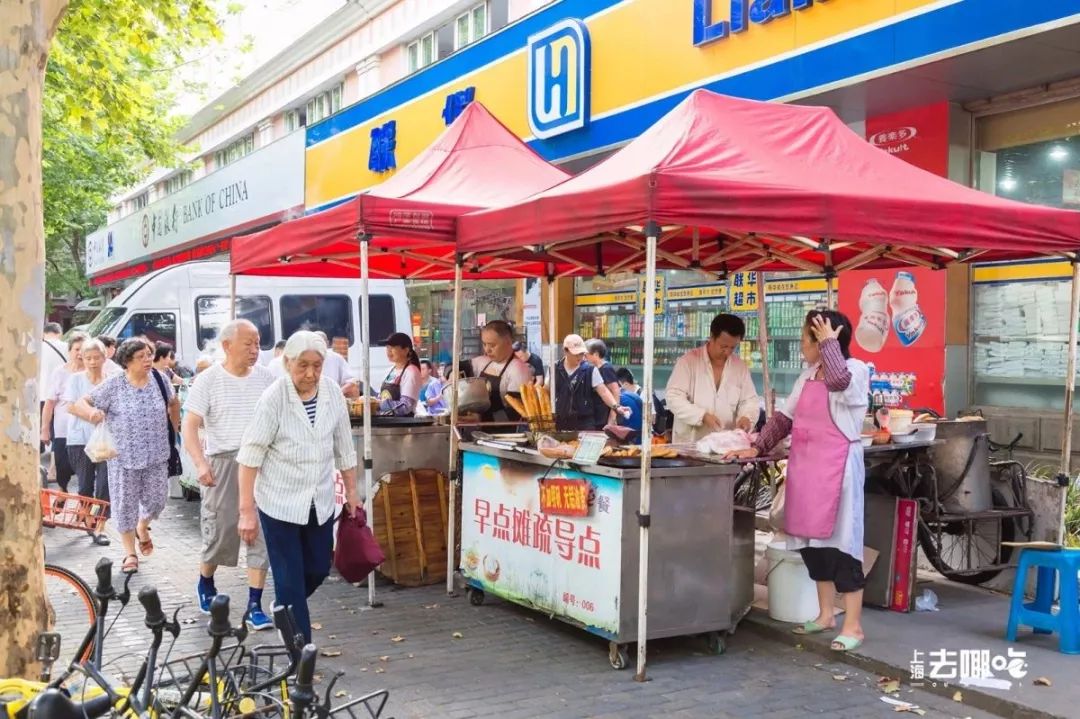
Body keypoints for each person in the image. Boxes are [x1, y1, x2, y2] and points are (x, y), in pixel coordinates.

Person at [728, 310, 869, 652]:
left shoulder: (855, 370)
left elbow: (838, 382)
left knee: (843, 546)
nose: (803, 345)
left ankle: (853, 625)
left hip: (838, 471)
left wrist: (829, 344)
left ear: (826, 341)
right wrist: (757, 446)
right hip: (806, 470)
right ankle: (824, 615)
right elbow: (784, 418)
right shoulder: (806, 376)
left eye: (809, 339)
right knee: (810, 544)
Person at [236, 331, 360, 642]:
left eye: (317, 366)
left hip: (319, 501)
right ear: (288, 363)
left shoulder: (332, 393)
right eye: (302, 365)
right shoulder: (274, 399)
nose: (310, 373)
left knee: (319, 568)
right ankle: (300, 653)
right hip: (278, 503)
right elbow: (250, 457)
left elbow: (345, 449)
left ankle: (285, 608)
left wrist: (353, 494)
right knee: (289, 580)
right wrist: (246, 511)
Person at [182, 319, 276, 630]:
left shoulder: (267, 378)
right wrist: (200, 463)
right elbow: (190, 426)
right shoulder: (208, 380)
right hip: (223, 463)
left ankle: (254, 604)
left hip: (261, 464)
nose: (254, 349)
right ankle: (205, 581)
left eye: (258, 342)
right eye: (248, 343)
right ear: (227, 346)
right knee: (220, 532)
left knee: (259, 536)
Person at [73, 339, 181, 574]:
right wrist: (92, 413)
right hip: (123, 458)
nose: (148, 360)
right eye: (141, 356)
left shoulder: (160, 379)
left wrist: (175, 428)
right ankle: (130, 553)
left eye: (149, 354)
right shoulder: (114, 385)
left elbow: (173, 402)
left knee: (157, 501)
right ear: (127, 362)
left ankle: (143, 526)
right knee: (125, 506)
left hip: (157, 454)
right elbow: (80, 403)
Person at [666, 313, 761, 443]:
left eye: (733, 347)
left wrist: (746, 417)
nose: (727, 352)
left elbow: (750, 400)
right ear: (712, 337)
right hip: (690, 445)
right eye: (723, 346)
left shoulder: (740, 367)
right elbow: (673, 398)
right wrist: (702, 416)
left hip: (726, 447)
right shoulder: (688, 362)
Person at [65, 339, 112, 546]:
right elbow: (71, 406)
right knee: (84, 486)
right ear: (82, 358)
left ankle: (99, 525)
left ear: (104, 357)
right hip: (79, 440)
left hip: (105, 442)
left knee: (104, 486)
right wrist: (92, 415)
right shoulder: (75, 380)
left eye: (96, 357)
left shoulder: (111, 379)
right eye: (88, 358)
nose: (93, 362)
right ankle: (89, 519)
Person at [41, 332, 86, 492]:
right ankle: (62, 494)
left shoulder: (93, 372)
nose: (80, 353)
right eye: (77, 349)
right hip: (62, 431)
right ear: (70, 351)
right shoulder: (60, 372)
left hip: (86, 433)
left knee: (86, 476)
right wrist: (45, 430)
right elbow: (50, 403)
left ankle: (85, 509)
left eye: (84, 349)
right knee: (62, 471)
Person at [554, 335, 624, 431]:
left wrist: (616, 407)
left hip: (584, 422)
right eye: (576, 354)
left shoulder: (590, 370)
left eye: (582, 353)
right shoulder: (555, 368)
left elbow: (603, 391)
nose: (580, 357)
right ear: (565, 351)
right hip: (560, 421)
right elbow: (546, 390)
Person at [469, 320, 533, 423]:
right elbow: (457, 367)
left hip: (506, 433)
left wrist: (482, 419)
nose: (487, 350)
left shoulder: (519, 370)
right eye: (484, 344)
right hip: (482, 430)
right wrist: (451, 373)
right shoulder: (483, 362)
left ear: (508, 342)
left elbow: (515, 411)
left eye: (492, 345)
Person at [616, 367, 669, 436]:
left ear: (625, 384)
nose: (618, 388)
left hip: (644, 435)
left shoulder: (644, 394)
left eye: (618, 385)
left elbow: (652, 419)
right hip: (628, 433)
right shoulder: (621, 394)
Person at [39, 322, 67, 453]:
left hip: (41, 393)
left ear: (44, 334)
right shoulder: (68, 347)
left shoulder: (38, 347)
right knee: (56, 428)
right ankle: (54, 457)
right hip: (61, 394)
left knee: (40, 424)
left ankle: (38, 451)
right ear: (60, 334)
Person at [378, 333, 422, 416]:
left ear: (406, 350)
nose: (389, 351)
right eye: (387, 347)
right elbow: (381, 397)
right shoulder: (390, 370)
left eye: (393, 347)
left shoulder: (411, 372)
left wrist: (380, 405)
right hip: (387, 422)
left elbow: (406, 406)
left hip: (402, 425)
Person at [585, 338, 622, 428]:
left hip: (604, 416)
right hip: (595, 414)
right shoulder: (592, 369)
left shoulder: (606, 368)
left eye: (586, 355)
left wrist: (612, 416)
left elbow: (615, 391)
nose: (584, 358)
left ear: (596, 354)